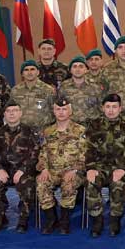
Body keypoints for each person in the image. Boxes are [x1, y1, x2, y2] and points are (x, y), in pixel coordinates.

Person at [85, 94, 125, 237]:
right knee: (91, 182)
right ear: (103, 108)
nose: (111, 110)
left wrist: (122, 169)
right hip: (99, 166)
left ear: (120, 108)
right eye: (108, 107)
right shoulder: (94, 125)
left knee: (118, 183)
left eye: (114, 107)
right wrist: (90, 168)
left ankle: (115, 219)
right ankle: (97, 220)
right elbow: (88, 149)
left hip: (120, 167)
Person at [0, 100, 40, 233]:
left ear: (20, 113)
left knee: (27, 184)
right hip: (3, 170)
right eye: (8, 111)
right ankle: (0, 216)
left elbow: (35, 154)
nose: (11, 114)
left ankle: (23, 219)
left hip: (23, 170)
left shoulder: (29, 131)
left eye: (15, 111)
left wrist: (22, 170)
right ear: (4, 114)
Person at [36, 97, 87, 235]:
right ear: (53, 111)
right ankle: (51, 219)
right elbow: (43, 153)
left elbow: (85, 155)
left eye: (64, 109)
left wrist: (75, 170)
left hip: (74, 171)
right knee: (41, 184)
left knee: (68, 184)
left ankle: (64, 221)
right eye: (58, 109)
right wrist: (44, 169)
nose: (61, 112)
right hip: (52, 171)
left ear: (70, 111)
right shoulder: (47, 131)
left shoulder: (80, 130)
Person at [58, 55, 105, 125]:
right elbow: (59, 108)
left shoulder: (95, 86)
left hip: (92, 126)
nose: (77, 69)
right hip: (72, 126)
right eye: (74, 66)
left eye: (81, 66)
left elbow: (102, 108)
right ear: (70, 70)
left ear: (86, 70)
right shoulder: (64, 87)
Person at [10, 60, 56, 129]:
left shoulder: (48, 90)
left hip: (43, 130)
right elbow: (11, 111)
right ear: (22, 74)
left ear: (38, 72)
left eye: (32, 69)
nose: (29, 72)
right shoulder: (15, 90)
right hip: (21, 132)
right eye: (26, 70)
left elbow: (55, 111)